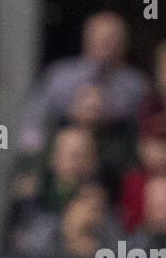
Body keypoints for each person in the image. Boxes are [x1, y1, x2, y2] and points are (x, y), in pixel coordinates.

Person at [18, 12, 150, 155]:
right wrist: (33, 159)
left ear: (124, 43)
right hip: (63, 151)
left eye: (113, 39)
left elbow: (141, 131)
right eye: (101, 38)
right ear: (87, 39)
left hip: (115, 154)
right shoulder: (60, 76)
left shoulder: (137, 84)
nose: (107, 44)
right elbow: (35, 120)